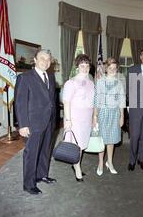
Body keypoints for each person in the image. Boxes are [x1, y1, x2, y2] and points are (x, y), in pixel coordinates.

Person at [15, 49, 57, 195]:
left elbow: (51, 101)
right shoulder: (25, 78)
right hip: (33, 123)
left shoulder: (51, 76)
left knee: (45, 150)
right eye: (42, 58)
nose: (45, 61)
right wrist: (23, 125)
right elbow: (20, 103)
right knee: (31, 153)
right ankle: (29, 184)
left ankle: (41, 175)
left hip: (49, 121)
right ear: (35, 59)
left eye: (48, 59)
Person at [63, 54, 94, 182]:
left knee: (82, 144)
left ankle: (75, 164)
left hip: (87, 118)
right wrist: (68, 121)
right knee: (77, 145)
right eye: (82, 65)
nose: (85, 68)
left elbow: (92, 102)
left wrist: (93, 118)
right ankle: (77, 169)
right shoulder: (71, 83)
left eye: (87, 65)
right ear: (77, 67)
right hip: (75, 118)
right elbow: (66, 102)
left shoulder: (91, 83)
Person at [93, 57, 125, 176]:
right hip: (103, 113)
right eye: (110, 68)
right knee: (102, 140)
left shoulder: (119, 83)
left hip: (115, 113)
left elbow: (122, 101)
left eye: (114, 68)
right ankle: (101, 162)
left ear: (117, 69)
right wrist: (95, 117)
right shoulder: (100, 82)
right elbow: (96, 101)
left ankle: (109, 162)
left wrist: (122, 116)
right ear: (106, 68)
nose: (112, 70)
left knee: (111, 140)